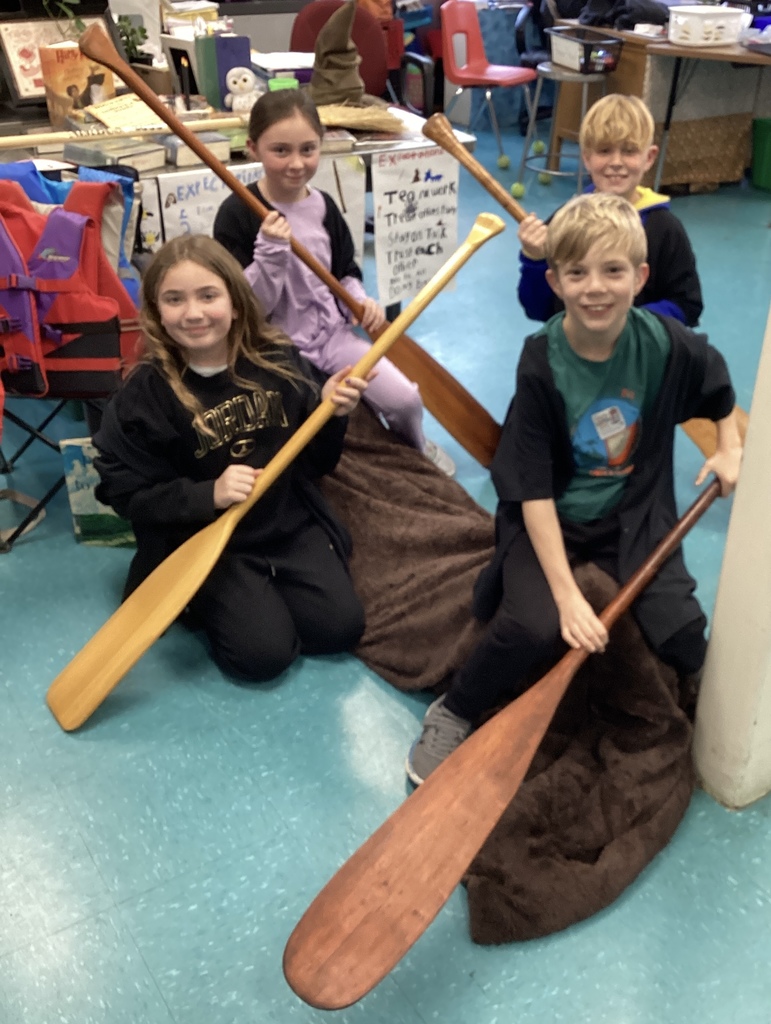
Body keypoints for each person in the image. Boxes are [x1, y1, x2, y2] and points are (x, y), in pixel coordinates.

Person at [406, 192, 742, 785]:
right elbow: (532, 493)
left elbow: (717, 384)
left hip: (633, 517)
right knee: (529, 627)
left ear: (639, 278)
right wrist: (566, 597)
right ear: (555, 281)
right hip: (551, 518)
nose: (596, 288)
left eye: (613, 270)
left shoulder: (664, 342)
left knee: (685, 633)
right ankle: (454, 709)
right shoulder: (542, 361)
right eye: (577, 272)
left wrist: (730, 448)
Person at [93, 234, 372, 684]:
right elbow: (125, 495)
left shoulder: (277, 361)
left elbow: (316, 463)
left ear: (236, 302)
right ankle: (211, 597)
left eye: (209, 295)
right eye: (175, 300)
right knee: (262, 658)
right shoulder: (144, 395)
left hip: (285, 524)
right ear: (157, 314)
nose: (195, 313)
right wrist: (209, 495)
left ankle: (266, 588)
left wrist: (332, 413)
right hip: (208, 543)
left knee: (338, 629)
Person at [213, 88, 455, 476]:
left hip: (332, 337)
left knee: (405, 400)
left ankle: (416, 456)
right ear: (253, 148)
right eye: (281, 151)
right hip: (276, 350)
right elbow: (246, 309)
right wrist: (271, 254)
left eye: (308, 150)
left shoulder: (324, 205)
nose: (296, 164)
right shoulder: (238, 214)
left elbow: (345, 271)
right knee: (309, 429)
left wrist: (360, 300)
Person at [517, 93, 703, 328]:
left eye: (629, 151)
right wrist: (535, 260)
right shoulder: (566, 222)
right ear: (586, 157)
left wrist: (628, 325)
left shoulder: (664, 229)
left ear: (649, 157)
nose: (616, 161)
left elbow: (687, 304)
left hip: (643, 358)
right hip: (578, 354)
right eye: (604, 151)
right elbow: (539, 310)